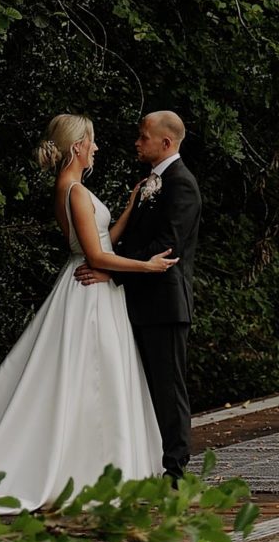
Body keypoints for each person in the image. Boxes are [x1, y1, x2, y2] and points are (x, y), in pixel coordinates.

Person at [0, 114, 178, 509]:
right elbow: (96, 255)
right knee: (96, 377)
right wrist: (146, 266)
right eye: (92, 142)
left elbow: (100, 242)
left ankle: (98, 467)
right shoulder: (76, 191)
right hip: (90, 292)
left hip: (92, 284)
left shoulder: (69, 187)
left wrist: (130, 209)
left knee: (89, 377)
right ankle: (93, 470)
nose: (96, 148)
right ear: (78, 146)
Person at [80, 111, 201, 479]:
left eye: (143, 136)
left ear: (165, 143)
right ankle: (144, 461)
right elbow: (136, 240)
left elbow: (166, 247)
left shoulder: (181, 184)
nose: (137, 141)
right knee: (141, 388)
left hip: (165, 303)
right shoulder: (150, 182)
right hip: (137, 300)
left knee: (168, 387)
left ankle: (176, 469)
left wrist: (110, 269)